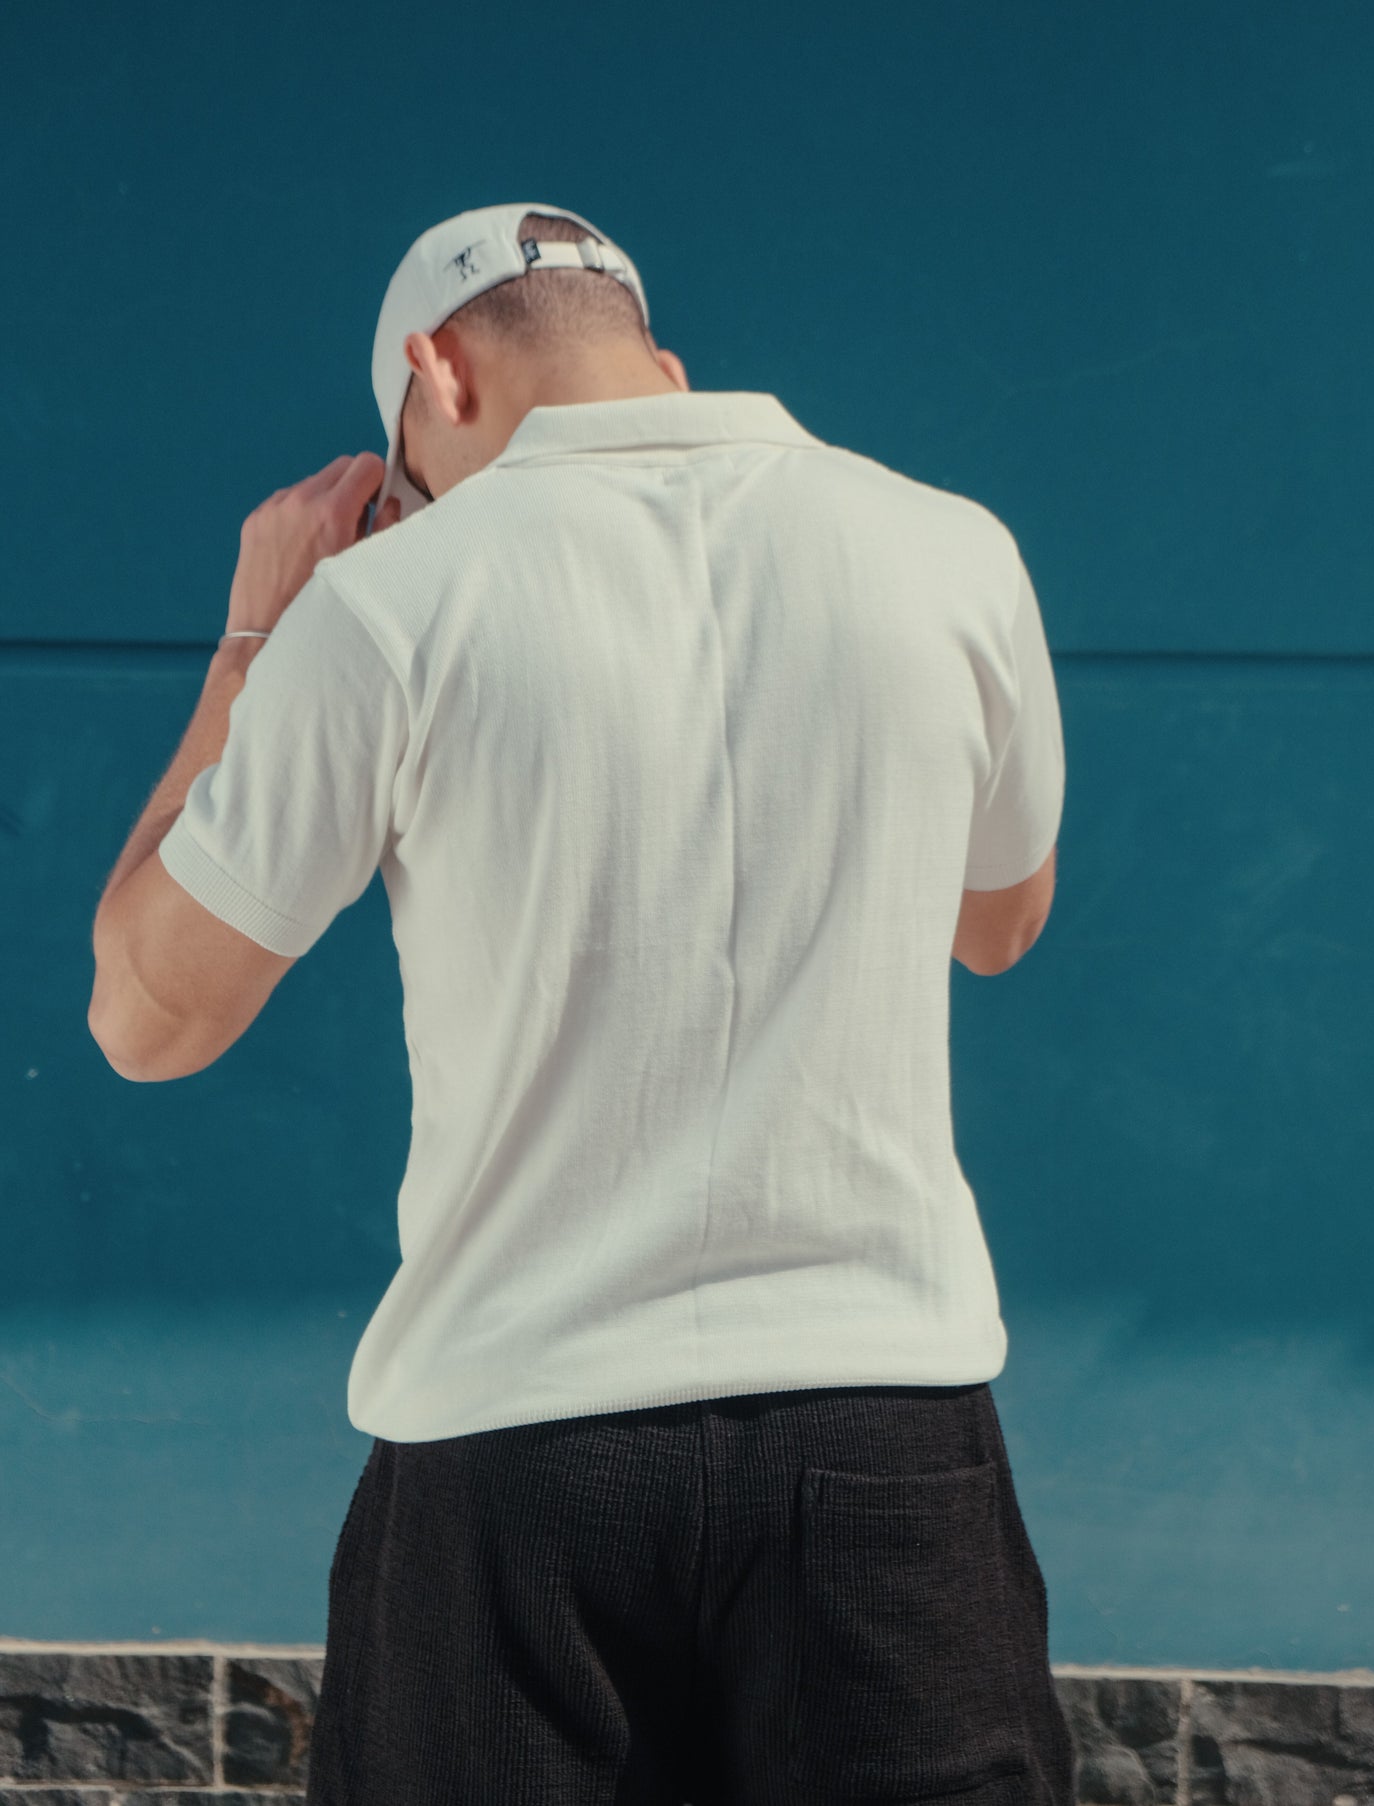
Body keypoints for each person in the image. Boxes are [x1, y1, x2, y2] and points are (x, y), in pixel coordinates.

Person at [95, 200, 1074, 1803]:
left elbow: (147, 1019)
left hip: (518, 1449)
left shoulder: (383, 608)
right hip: (880, 1429)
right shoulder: (949, 548)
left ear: (434, 374)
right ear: (657, 360)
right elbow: (1000, 923)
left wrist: (251, 639)